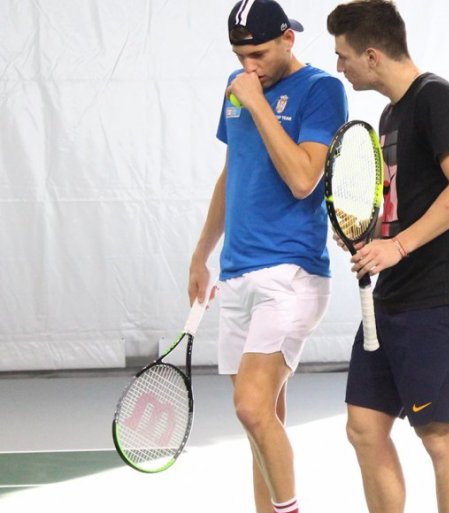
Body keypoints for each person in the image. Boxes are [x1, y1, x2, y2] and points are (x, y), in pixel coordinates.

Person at [326, 2, 449, 512]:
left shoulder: (436, 98)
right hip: (393, 299)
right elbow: (406, 203)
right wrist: (372, 234)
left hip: (439, 299)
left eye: (344, 55)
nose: (339, 66)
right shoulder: (390, 114)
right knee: (363, 427)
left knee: (439, 436)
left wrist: (396, 246)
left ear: (372, 56)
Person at [188, 1, 347, 512]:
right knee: (263, 422)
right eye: (240, 56)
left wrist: (257, 103)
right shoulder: (237, 87)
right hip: (236, 273)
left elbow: (304, 179)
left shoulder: (321, 90)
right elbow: (232, 171)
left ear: (288, 39)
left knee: (252, 408)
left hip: (291, 272)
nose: (248, 66)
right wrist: (201, 255)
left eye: (257, 54)